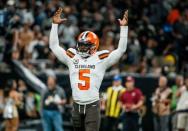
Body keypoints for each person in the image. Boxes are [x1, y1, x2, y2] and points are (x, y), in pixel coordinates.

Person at [49, 7, 128, 131]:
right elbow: (54, 46)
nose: (82, 48)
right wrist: (54, 25)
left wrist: (124, 28)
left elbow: (121, 50)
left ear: (94, 46)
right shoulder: (72, 56)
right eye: (80, 45)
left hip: (92, 105)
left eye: (85, 46)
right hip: (76, 105)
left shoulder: (100, 59)